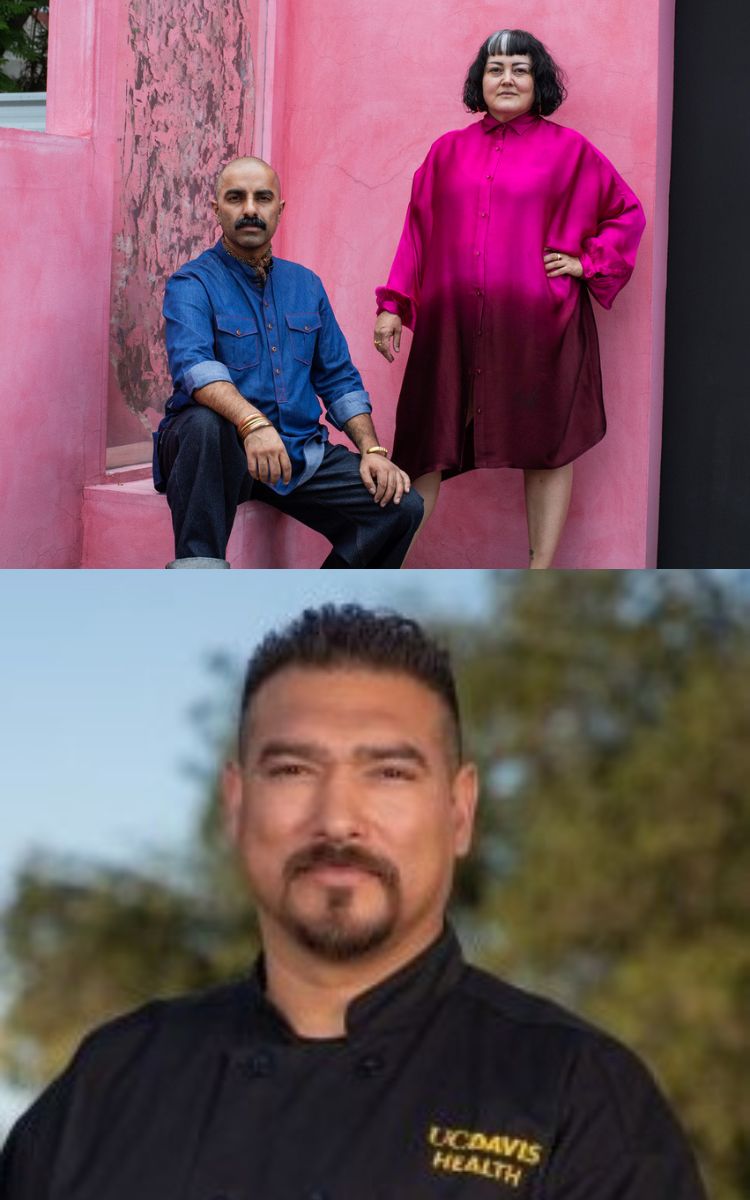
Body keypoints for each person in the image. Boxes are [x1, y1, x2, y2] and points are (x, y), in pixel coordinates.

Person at [0, 605, 708, 1199]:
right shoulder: (111, 1082)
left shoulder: (575, 1096)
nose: (337, 819)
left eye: (390, 773)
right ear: (236, 804)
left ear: (459, 812)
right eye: (293, 769)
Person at [374, 30, 646, 568]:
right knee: (426, 440)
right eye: (495, 68)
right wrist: (393, 305)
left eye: (520, 69)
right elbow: (417, 232)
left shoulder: (571, 152)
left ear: (537, 82)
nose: (506, 79)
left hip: (540, 324)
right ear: (480, 80)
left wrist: (585, 263)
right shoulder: (446, 152)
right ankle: (390, 566)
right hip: (450, 326)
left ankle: (539, 573)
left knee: (546, 443)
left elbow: (625, 213)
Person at [154, 157, 422, 568]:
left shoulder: (305, 285)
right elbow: (195, 368)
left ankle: (323, 616)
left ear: (279, 209)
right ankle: (198, 585)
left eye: (262, 198)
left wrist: (371, 449)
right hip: (214, 455)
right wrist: (253, 424)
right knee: (205, 424)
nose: (249, 209)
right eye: (235, 198)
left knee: (401, 508)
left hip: (297, 451)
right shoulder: (192, 283)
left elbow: (338, 379)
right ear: (216, 209)